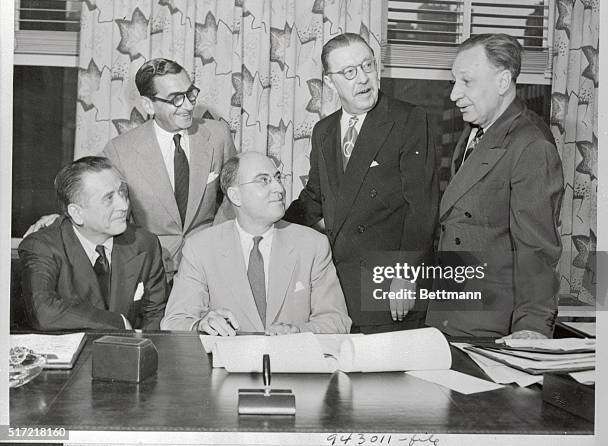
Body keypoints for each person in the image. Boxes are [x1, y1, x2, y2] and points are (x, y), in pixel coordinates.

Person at [26, 58, 236, 279]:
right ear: (148, 105)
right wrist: (60, 220)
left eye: (190, 93)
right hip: (154, 269)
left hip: (210, 265)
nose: (188, 105)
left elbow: (235, 197)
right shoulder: (120, 150)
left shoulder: (218, 136)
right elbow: (93, 197)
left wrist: (218, 244)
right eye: (176, 99)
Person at [284, 33, 438, 333]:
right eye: (349, 72)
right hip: (335, 288)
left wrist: (406, 275)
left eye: (368, 66)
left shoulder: (408, 119)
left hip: (389, 286)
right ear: (330, 82)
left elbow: (422, 207)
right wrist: (270, 228)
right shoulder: (324, 131)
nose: (363, 79)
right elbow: (314, 198)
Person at [425, 33, 563, 339]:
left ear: (503, 82)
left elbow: (537, 251)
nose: (454, 95)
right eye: (454, 82)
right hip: (449, 315)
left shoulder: (531, 146)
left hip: (489, 328)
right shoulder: (476, 131)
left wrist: (532, 329)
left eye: (466, 82)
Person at [161, 152, 351, 335]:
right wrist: (201, 325)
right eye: (264, 180)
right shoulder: (200, 248)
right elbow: (175, 320)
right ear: (235, 196)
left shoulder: (313, 244)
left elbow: (337, 320)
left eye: (277, 178)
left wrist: (298, 332)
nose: (279, 188)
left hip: (291, 365)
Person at [19, 157, 167, 330]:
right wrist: (118, 322)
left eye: (122, 192)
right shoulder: (42, 247)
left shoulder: (144, 243)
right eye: (109, 198)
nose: (124, 205)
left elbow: (155, 314)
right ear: (77, 213)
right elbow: (43, 312)